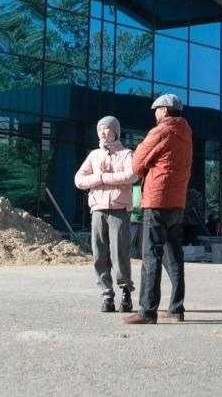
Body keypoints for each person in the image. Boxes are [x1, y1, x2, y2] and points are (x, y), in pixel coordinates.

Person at [123, 93, 193, 325]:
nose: (154, 115)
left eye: (156, 110)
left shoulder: (160, 131)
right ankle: (176, 309)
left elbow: (137, 163)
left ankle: (147, 311)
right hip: (177, 201)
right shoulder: (186, 133)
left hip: (157, 199)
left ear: (163, 110)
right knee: (174, 255)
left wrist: (146, 163)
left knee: (151, 255)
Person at [74, 116, 137, 313]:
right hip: (98, 209)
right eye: (100, 129)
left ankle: (125, 291)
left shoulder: (126, 154)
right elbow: (79, 180)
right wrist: (99, 178)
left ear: (116, 131)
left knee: (120, 252)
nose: (103, 132)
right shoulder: (94, 155)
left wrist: (103, 178)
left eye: (107, 128)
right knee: (99, 253)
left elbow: (132, 175)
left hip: (119, 209)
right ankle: (106, 294)